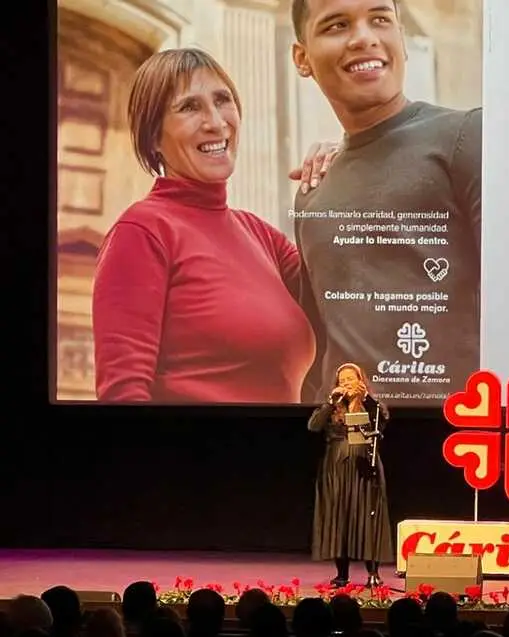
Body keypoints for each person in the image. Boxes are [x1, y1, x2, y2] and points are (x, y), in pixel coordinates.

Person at [92, 48, 317, 403]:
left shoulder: (261, 237)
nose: (215, 121)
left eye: (222, 100)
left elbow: (346, 299)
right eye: (189, 107)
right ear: (153, 137)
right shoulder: (143, 231)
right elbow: (123, 395)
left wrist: (343, 174)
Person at [289, 0, 482, 405]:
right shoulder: (312, 193)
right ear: (302, 58)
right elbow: (318, 343)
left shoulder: (466, 138)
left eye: (380, 19)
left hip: (453, 445)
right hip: (345, 450)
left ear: (402, 39)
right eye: (337, 25)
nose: (364, 38)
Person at [307, 362, 392, 587]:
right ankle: (342, 574)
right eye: (342, 381)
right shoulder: (333, 407)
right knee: (339, 517)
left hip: (364, 464)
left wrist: (365, 399)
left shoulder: (371, 405)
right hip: (335, 467)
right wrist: (330, 401)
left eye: (351, 379)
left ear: (361, 381)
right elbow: (313, 426)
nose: (347, 384)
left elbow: (383, 419)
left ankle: (373, 573)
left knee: (367, 515)